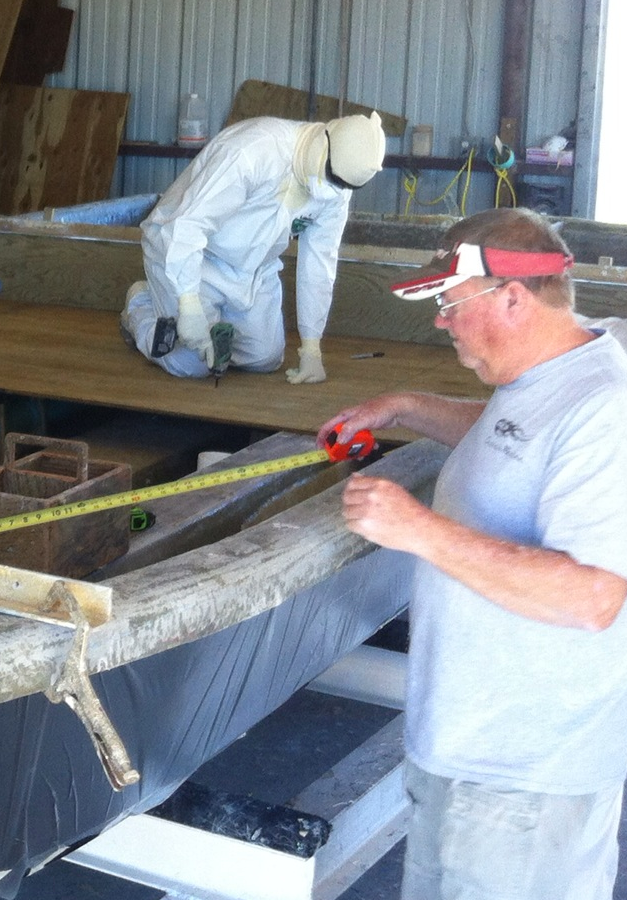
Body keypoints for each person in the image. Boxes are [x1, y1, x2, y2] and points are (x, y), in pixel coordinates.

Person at [318, 206, 627, 899]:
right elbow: (512, 439)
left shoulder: (604, 408)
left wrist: (417, 528)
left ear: (511, 296)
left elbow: (594, 598)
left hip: (523, 781)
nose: (440, 321)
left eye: (451, 303)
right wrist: (405, 405)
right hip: (470, 757)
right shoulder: (554, 374)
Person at [120, 111, 386, 382]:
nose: (332, 189)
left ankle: (211, 327)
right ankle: (140, 305)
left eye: (342, 185)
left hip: (254, 269)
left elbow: (319, 263)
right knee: (191, 364)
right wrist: (188, 303)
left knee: (265, 358)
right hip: (191, 254)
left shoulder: (337, 189)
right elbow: (188, 225)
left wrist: (311, 349)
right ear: (324, 144)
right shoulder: (253, 151)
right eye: (332, 177)